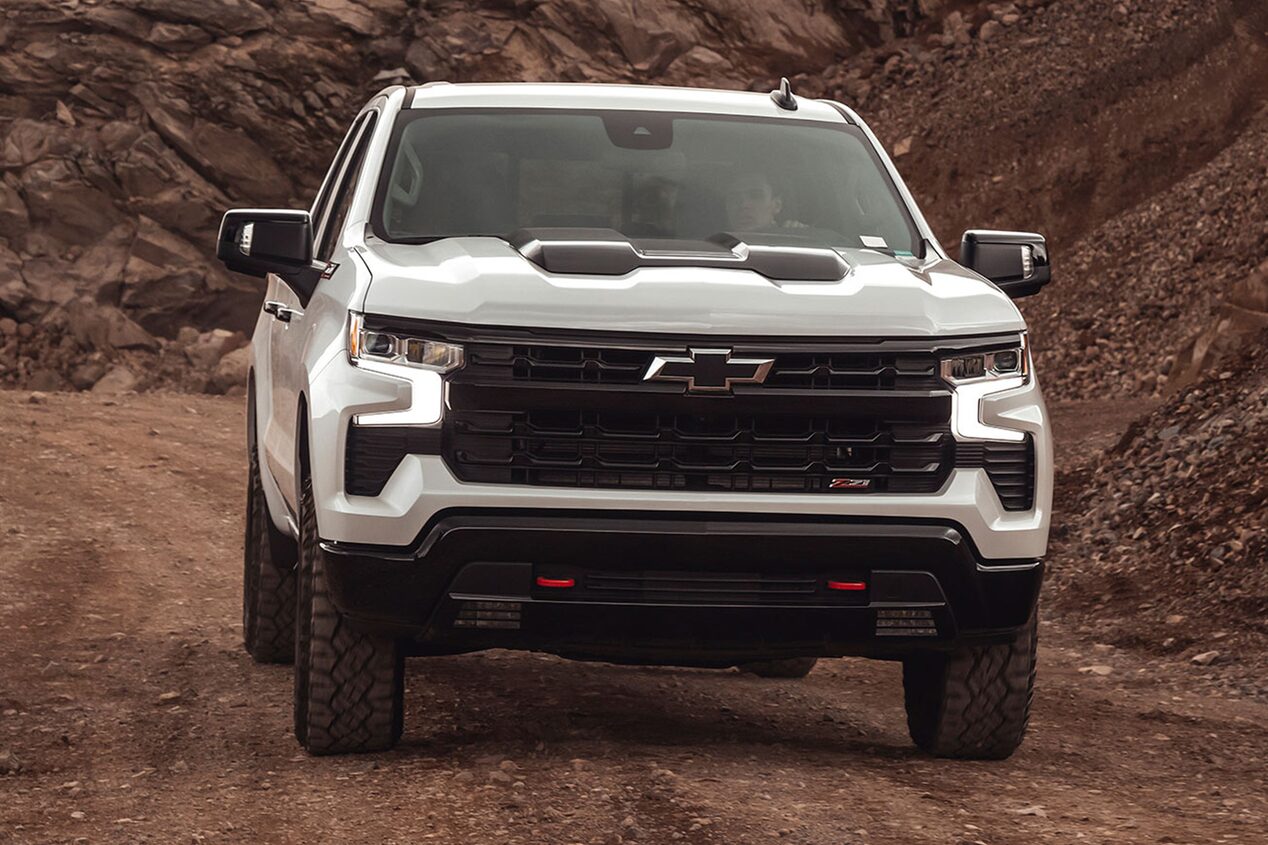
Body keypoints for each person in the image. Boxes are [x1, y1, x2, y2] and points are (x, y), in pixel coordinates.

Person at [724, 170, 804, 232]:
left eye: (755, 196)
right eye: (734, 198)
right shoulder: (714, 248)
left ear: (777, 205)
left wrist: (798, 235)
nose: (743, 205)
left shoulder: (795, 245)